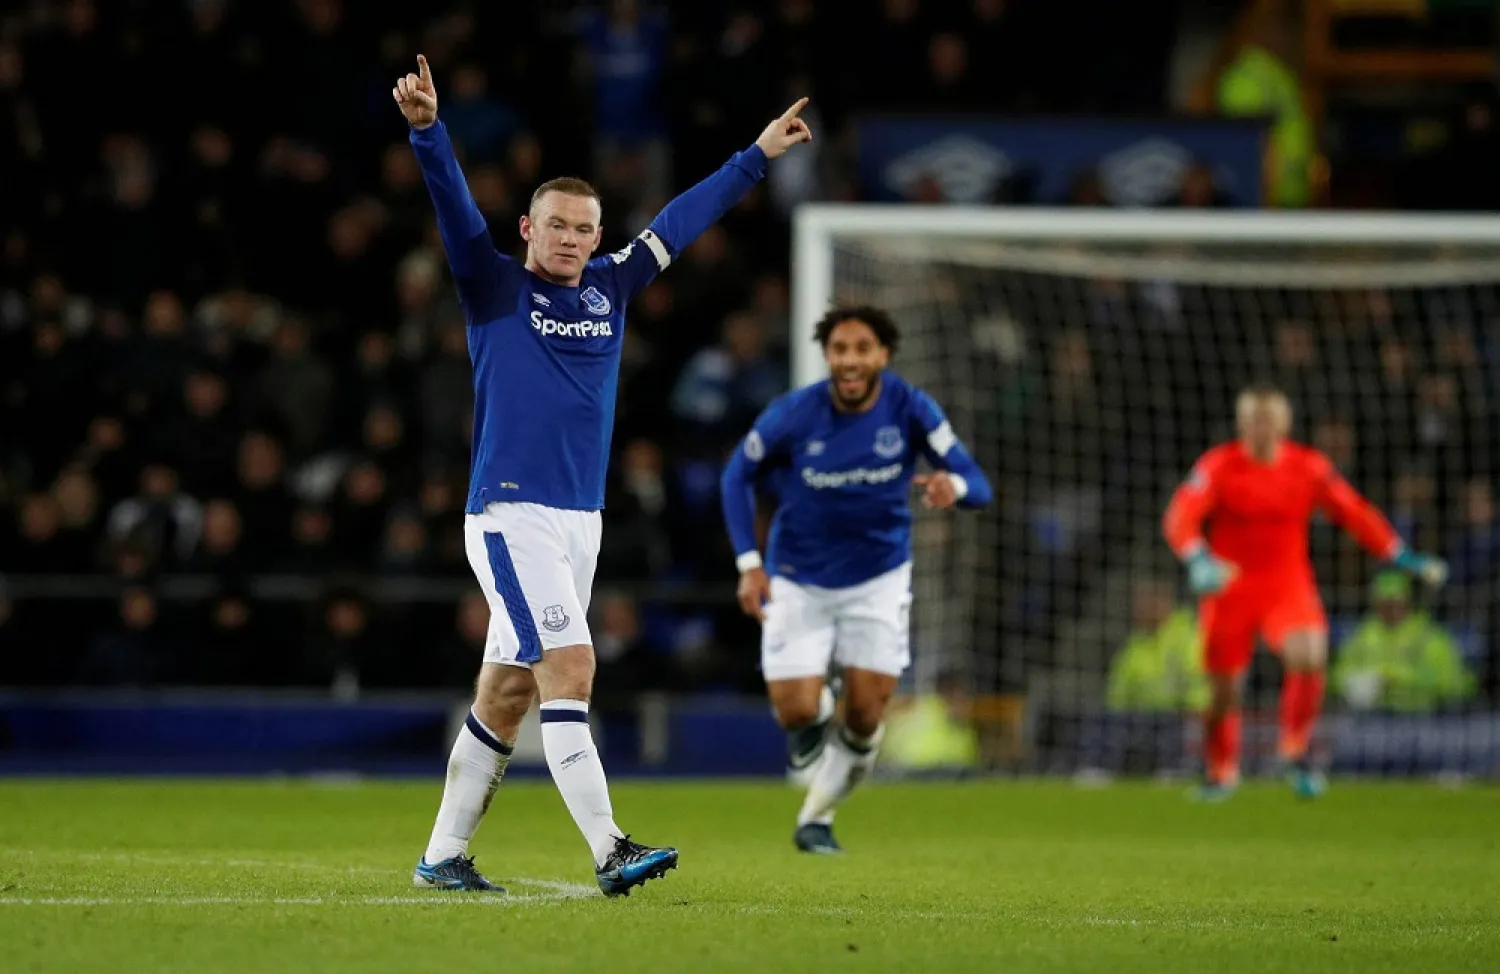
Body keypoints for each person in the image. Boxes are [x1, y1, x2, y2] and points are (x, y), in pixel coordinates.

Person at [394, 55, 811, 894]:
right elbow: (453, 207)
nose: (572, 239)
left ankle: (442, 856)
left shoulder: (612, 287)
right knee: (573, 668)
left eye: (584, 229)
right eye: (557, 225)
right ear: (527, 228)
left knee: (506, 693)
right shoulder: (492, 287)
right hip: (511, 514)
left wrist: (758, 155)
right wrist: (429, 132)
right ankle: (610, 848)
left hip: (579, 519)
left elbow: (681, 220)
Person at [719, 306, 993, 853]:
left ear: (882, 355)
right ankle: (819, 711)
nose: (850, 360)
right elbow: (736, 475)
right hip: (798, 577)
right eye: (839, 349)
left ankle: (816, 818)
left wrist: (955, 489)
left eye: (862, 348)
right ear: (827, 355)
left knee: (866, 718)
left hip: (878, 580)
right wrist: (749, 565)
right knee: (797, 712)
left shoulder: (912, 409)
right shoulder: (794, 413)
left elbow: (977, 482)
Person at [1162, 385, 1447, 801]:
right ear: (1240, 424)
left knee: (1311, 653)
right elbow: (1180, 516)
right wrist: (1197, 557)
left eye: (1268, 418)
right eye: (1252, 419)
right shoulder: (1218, 465)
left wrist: (1398, 552)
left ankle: (1292, 752)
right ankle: (1221, 772)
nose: (1260, 427)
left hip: (1286, 584)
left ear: (1285, 423)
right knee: (1224, 692)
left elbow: (1354, 511)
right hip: (1230, 586)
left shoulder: (1308, 467)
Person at [1332, 571, 1475, 712]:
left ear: (1408, 601)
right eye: (1385, 603)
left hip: (1427, 716)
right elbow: (1336, 677)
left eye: (1396, 602)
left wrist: (1397, 680)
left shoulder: (1429, 635)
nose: (1391, 609)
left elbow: (1456, 683)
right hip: (1371, 717)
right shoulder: (1361, 635)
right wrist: (1357, 681)